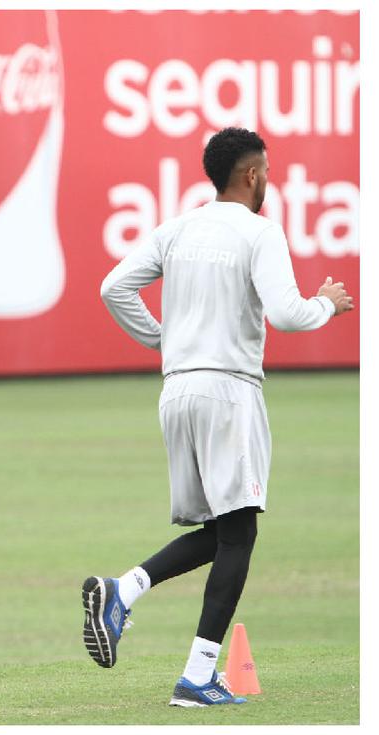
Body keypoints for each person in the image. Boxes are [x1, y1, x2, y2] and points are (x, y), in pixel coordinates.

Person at [87, 127, 353, 707]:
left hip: (176, 390)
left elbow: (114, 287)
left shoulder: (178, 227)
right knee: (242, 531)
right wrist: (326, 305)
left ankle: (124, 590)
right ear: (253, 174)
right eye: (267, 171)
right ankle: (198, 676)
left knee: (224, 530)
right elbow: (286, 314)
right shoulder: (259, 232)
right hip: (228, 391)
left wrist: (165, 341)